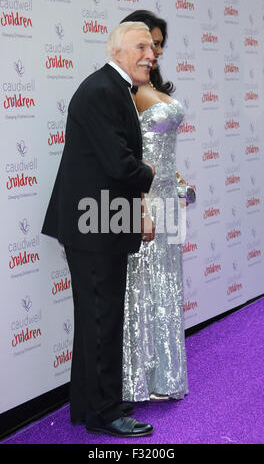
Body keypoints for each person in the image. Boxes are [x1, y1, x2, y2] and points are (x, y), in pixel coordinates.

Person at [41, 22, 156, 437]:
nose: (151, 54)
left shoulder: (110, 88)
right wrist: (150, 172)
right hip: (94, 229)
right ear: (119, 49)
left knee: (97, 319)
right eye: (142, 46)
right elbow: (119, 164)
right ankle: (105, 413)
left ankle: (92, 404)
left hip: (101, 223)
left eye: (153, 48)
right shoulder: (103, 90)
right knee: (102, 320)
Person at [121, 11, 189, 402]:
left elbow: (162, 149)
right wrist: (142, 204)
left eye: (160, 44)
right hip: (144, 201)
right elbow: (131, 153)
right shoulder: (125, 91)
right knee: (142, 287)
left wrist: (178, 180)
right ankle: (140, 378)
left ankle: (166, 376)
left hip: (168, 200)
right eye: (148, 44)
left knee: (166, 287)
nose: (155, 51)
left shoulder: (154, 86)